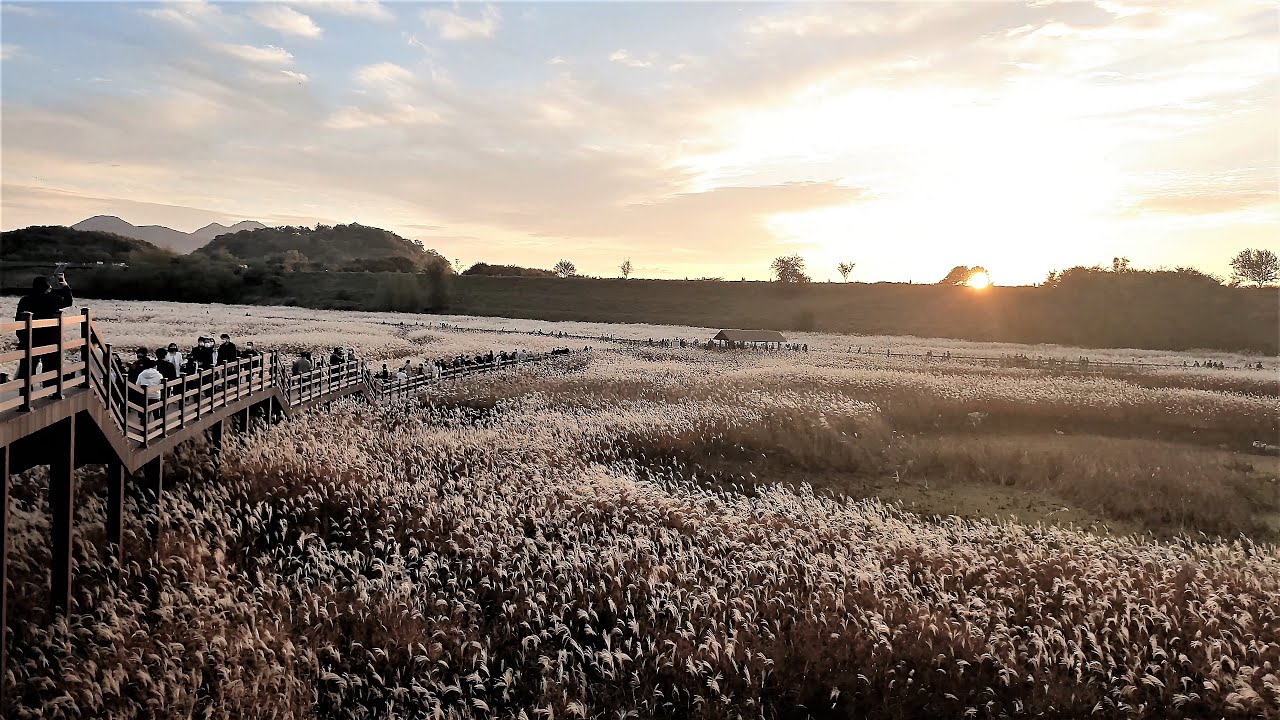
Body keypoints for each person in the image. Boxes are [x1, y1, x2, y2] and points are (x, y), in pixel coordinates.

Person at [14, 272, 74, 384]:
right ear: (48, 288)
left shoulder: (25, 300)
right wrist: (64, 284)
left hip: (30, 338)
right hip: (49, 339)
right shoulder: (52, 299)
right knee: (50, 369)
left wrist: (22, 337)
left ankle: (25, 393)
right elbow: (68, 301)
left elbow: (18, 320)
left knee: (27, 368)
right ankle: (49, 390)